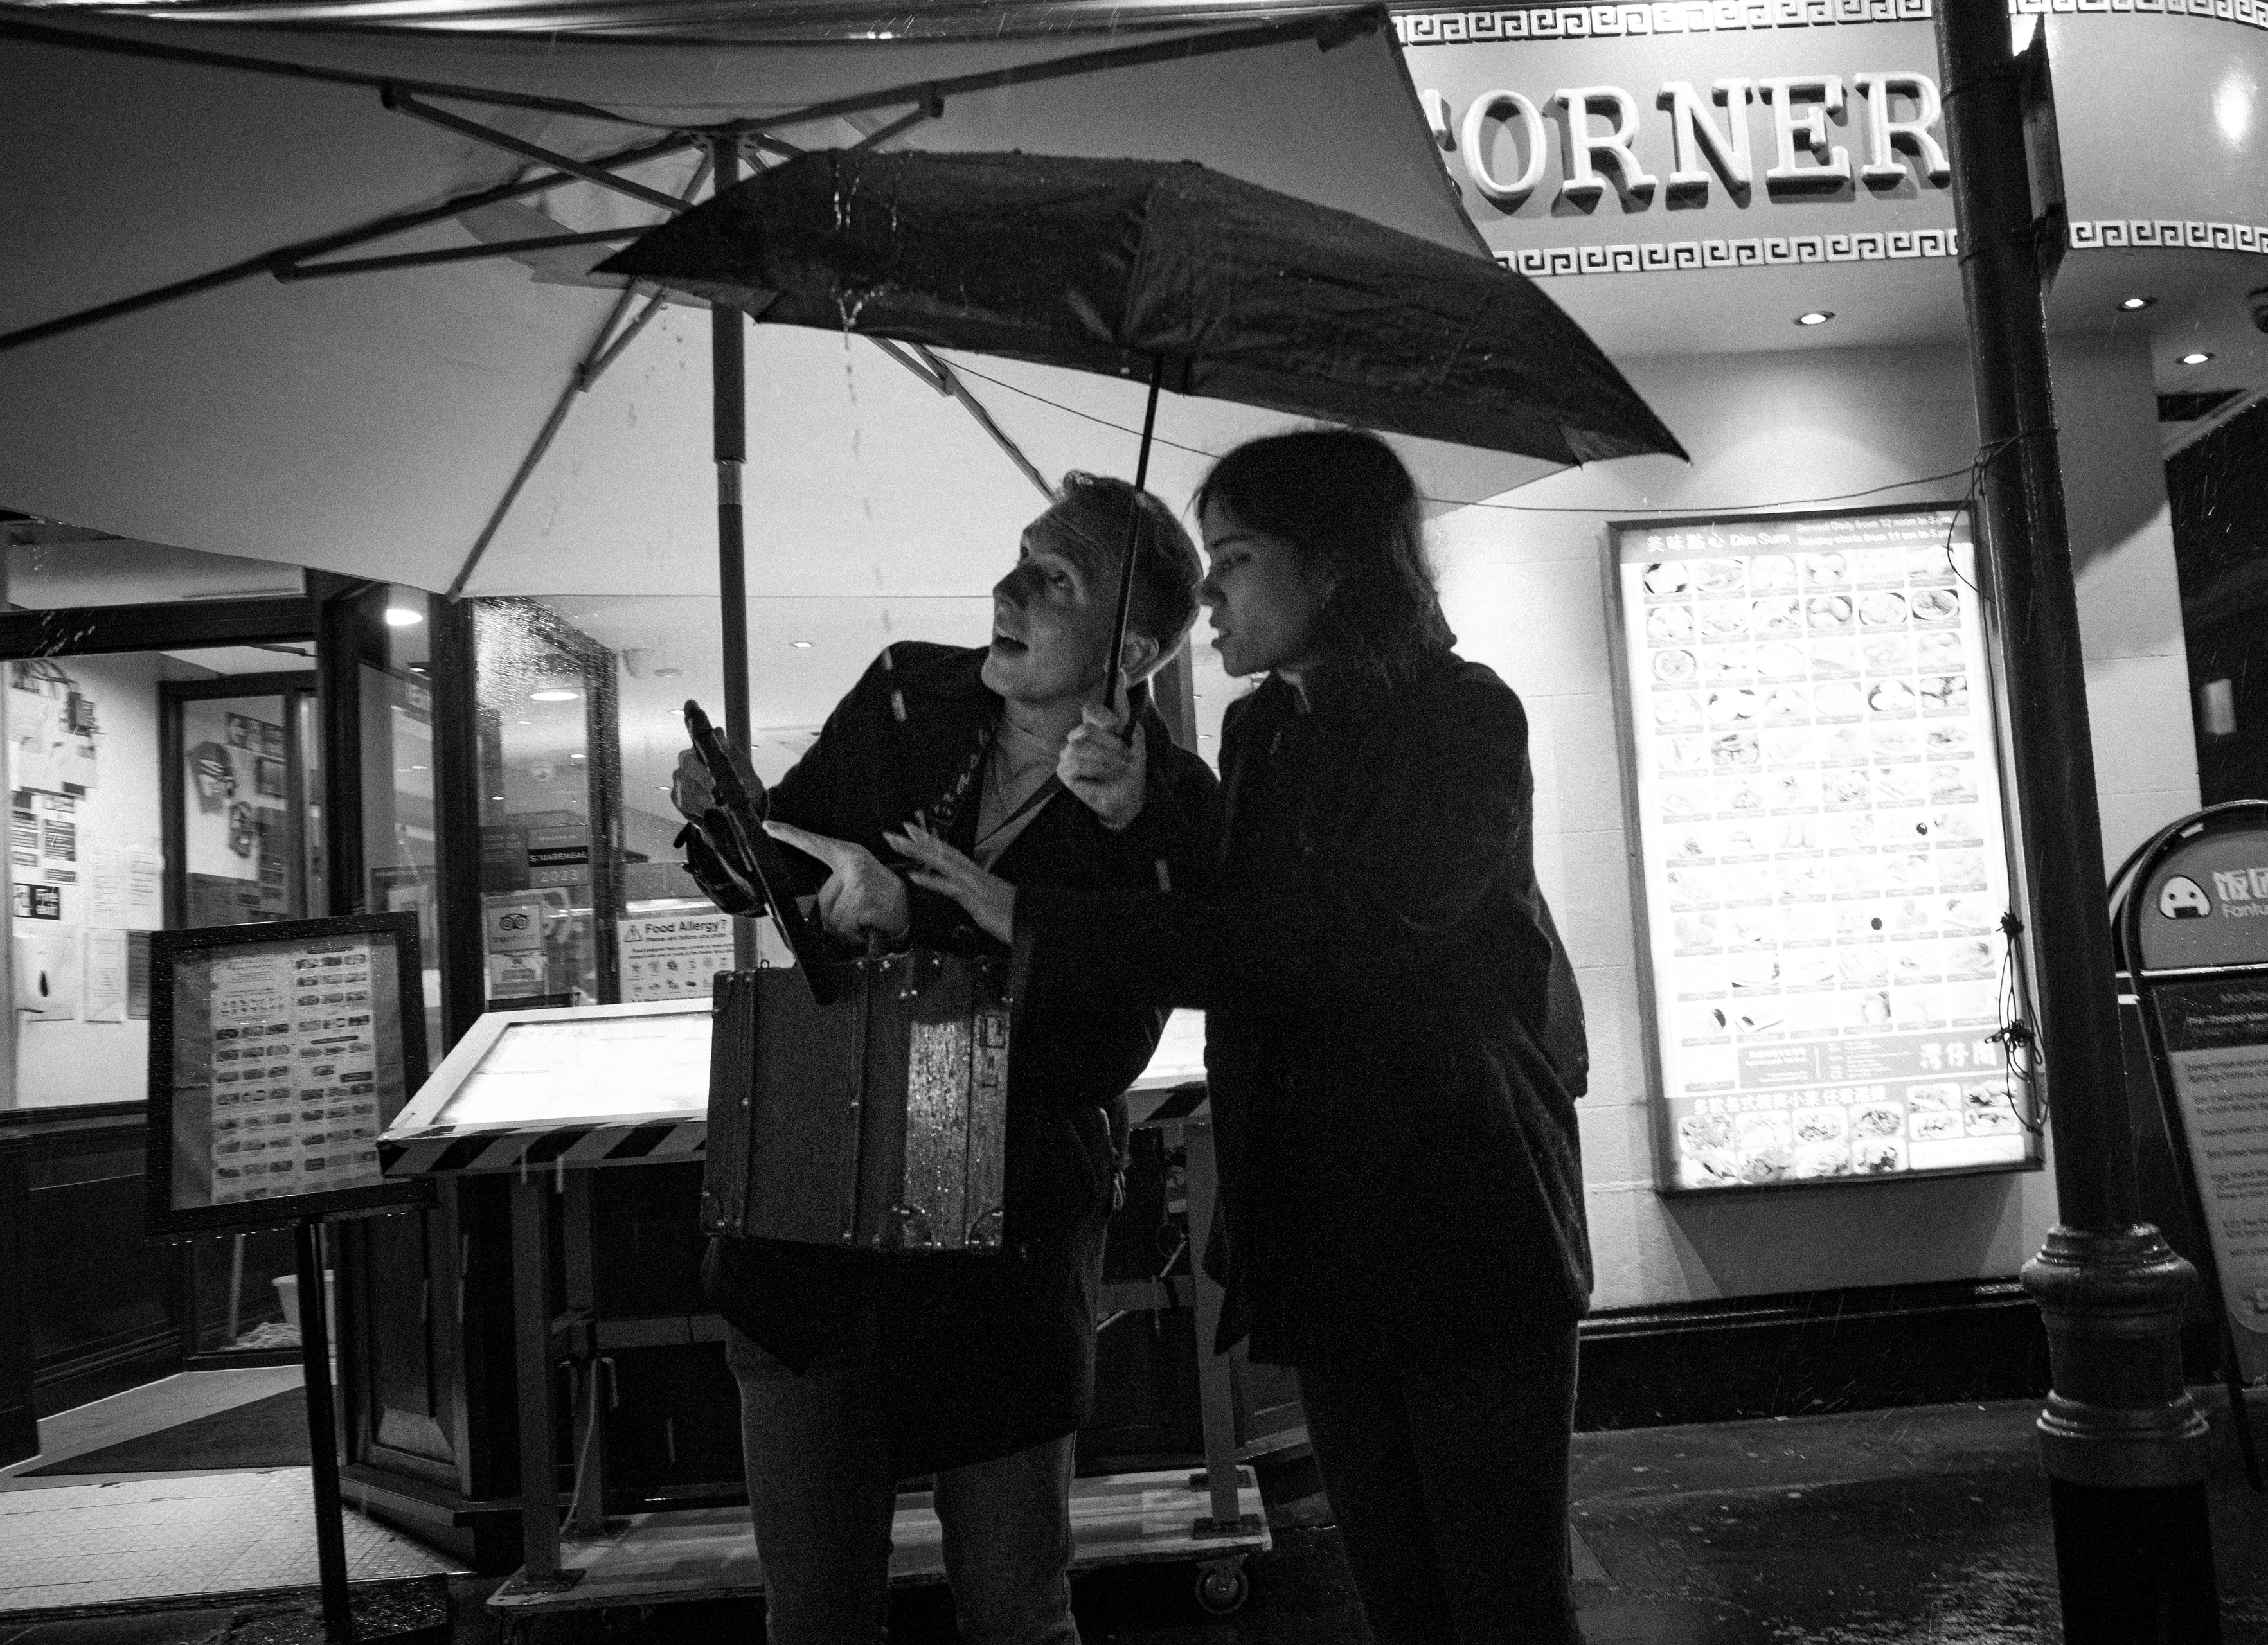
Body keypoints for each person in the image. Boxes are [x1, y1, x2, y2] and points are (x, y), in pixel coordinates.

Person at [894, 429, 1593, 1645]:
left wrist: (1038, 919)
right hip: (1323, 1229)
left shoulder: (1464, 717)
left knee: (1503, 1607)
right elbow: (1229, 913)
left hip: (1463, 1219)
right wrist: (1135, 812)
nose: (1208, 592)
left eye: (1236, 557)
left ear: (1333, 567)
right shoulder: (1264, 728)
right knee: (1400, 1600)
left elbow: (1343, 938)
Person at [670, 473, 1218, 1645]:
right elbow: (792, 862)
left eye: (1053, 580)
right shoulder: (908, 694)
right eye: (1018, 557)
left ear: (1131, 650)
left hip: (1003, 1249)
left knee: (1017, 1609)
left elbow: (1104, 1046)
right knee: (814, 1616)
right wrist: (734, 828)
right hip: (814, 1214)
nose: (1006, 590)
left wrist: (917, 920)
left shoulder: (1167, 806)